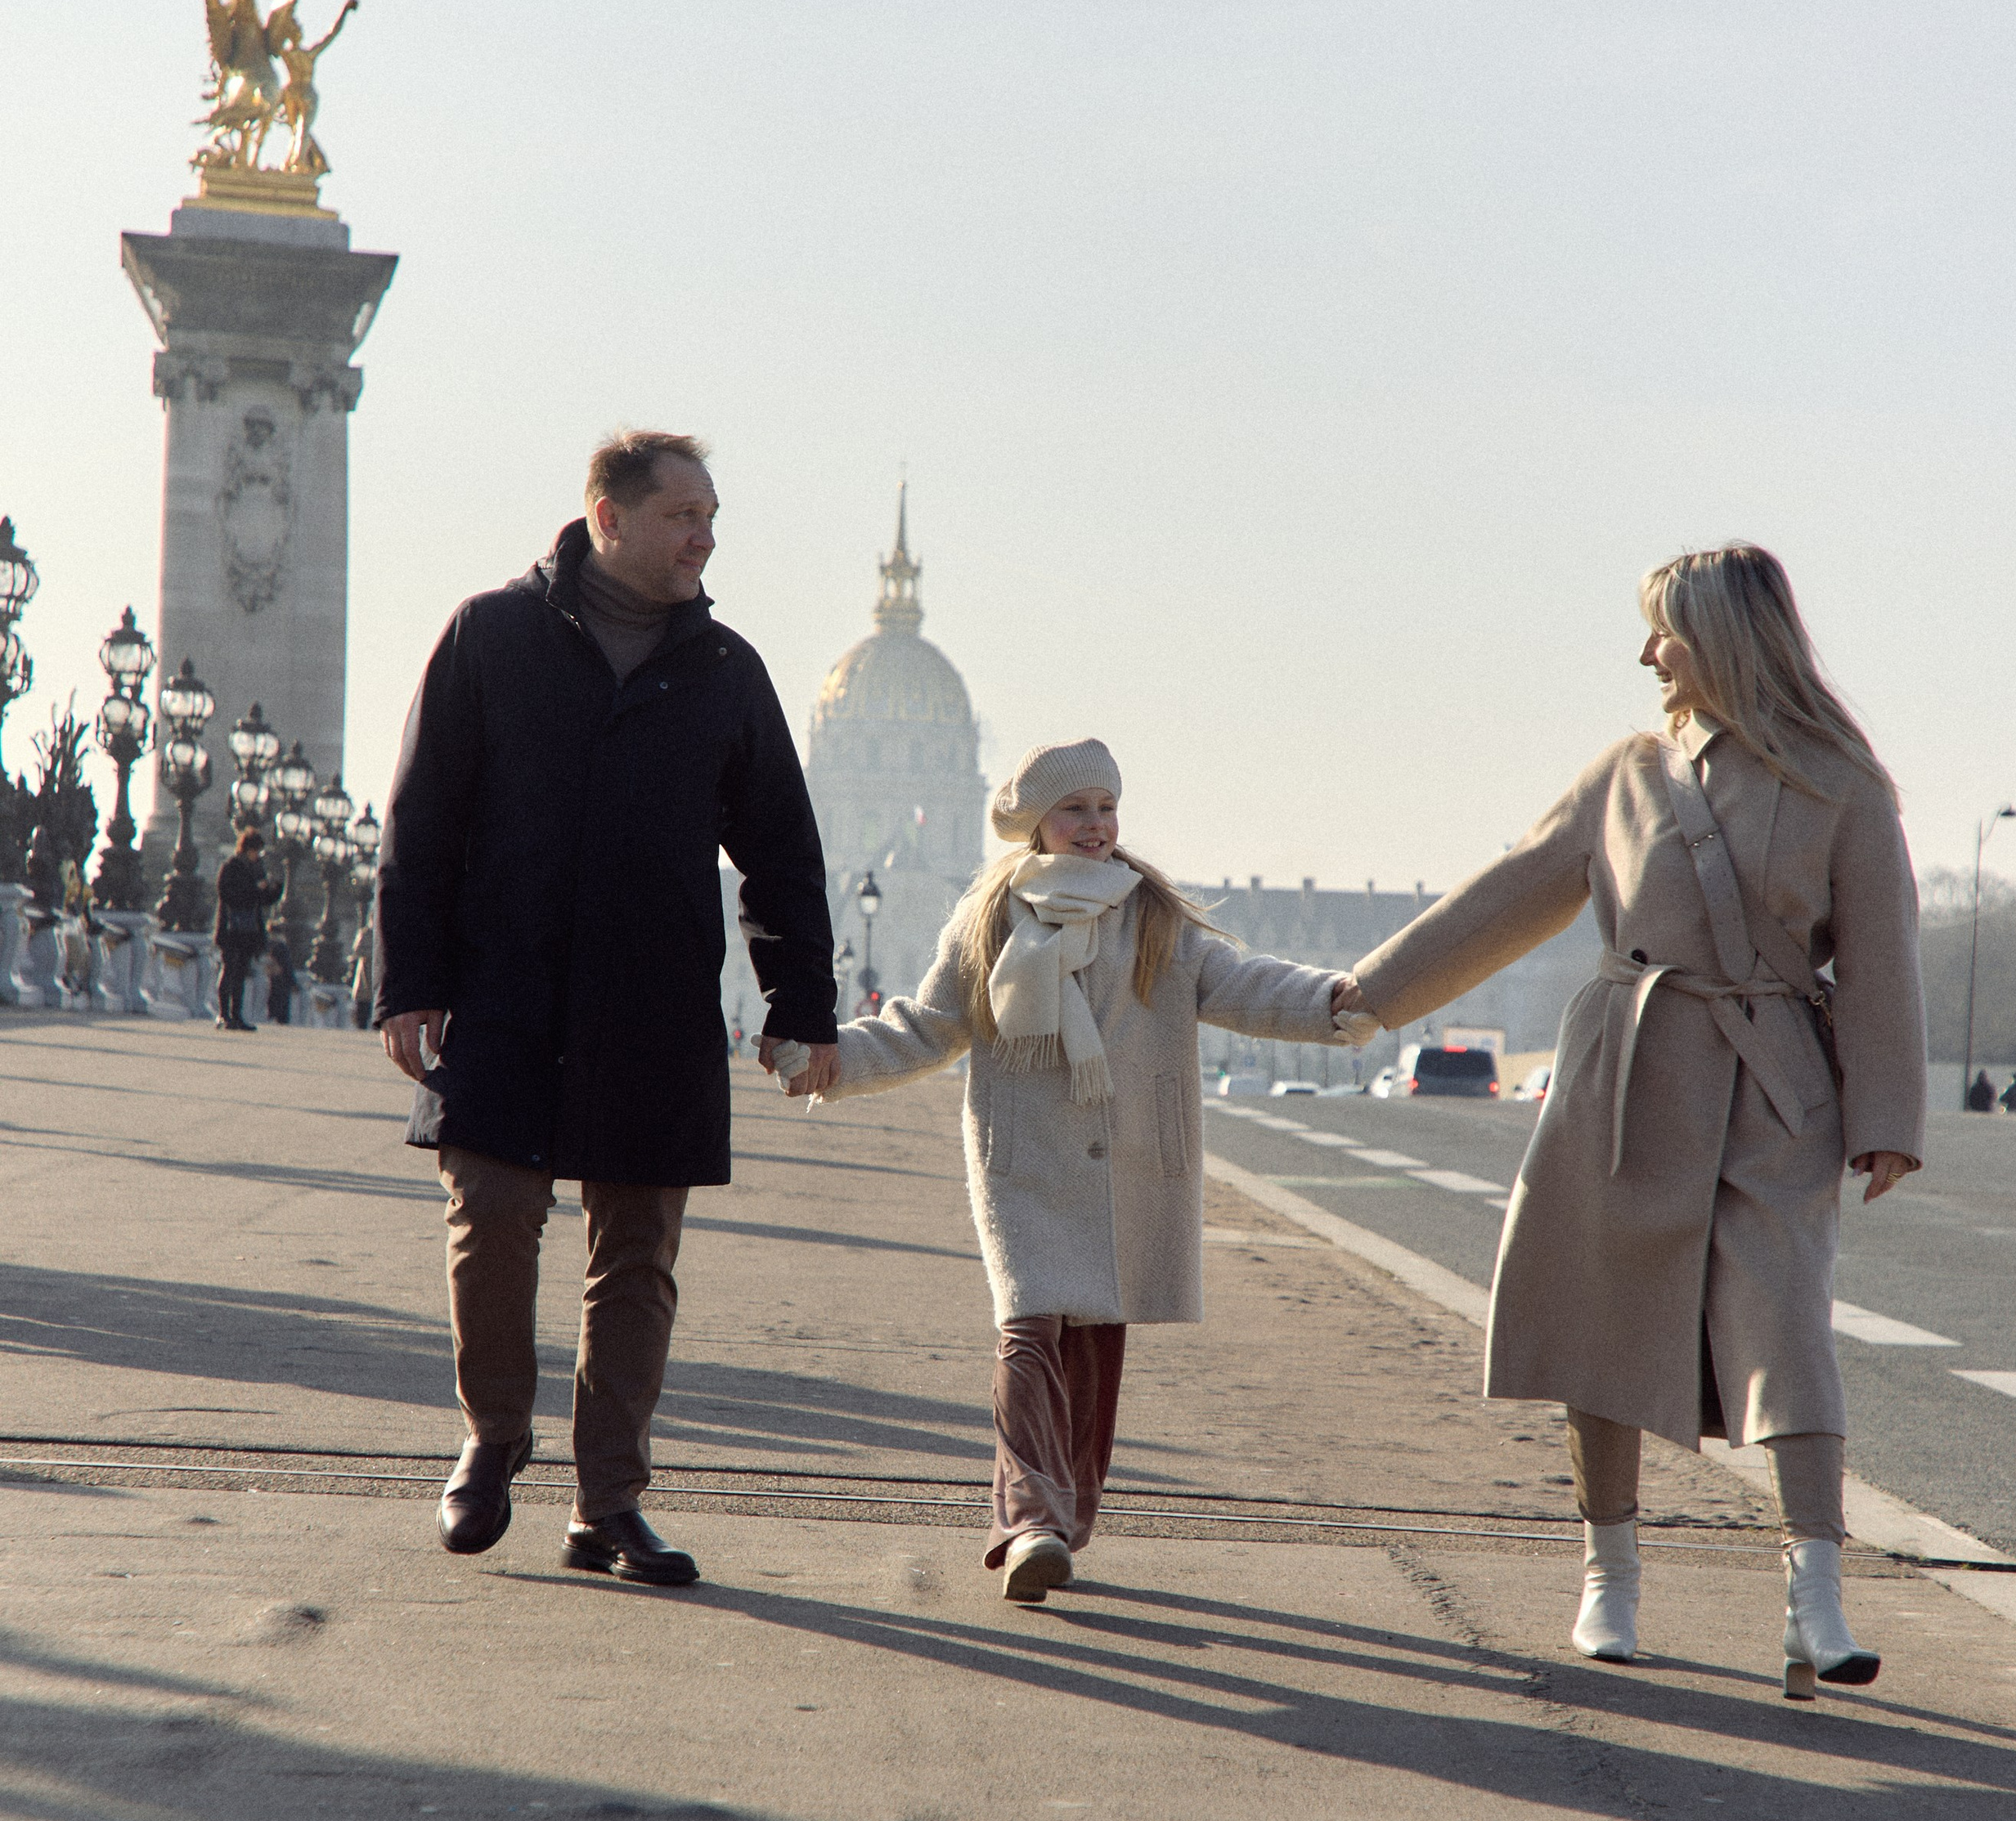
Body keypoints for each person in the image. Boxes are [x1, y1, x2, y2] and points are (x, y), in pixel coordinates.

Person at [1345, 545, 1926, 1698]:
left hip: (1777, 1088)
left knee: (1787, 1333)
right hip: (1628, 1075)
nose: (1646, 653)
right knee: (1603, 1322)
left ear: (1721, 638)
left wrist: (1887, 1116)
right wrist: (1362, 998)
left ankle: (1816, 1591)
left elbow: (1881, 960)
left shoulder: (1844, 782)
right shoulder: (1625, 774)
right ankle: (1608, 1574)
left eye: (1662, 629)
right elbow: (1506, 896)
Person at [374, 427, 837, 1587]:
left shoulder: (726, 669)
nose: (707, 537)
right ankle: (493, 1437)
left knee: (637, 1253)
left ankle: (609, 1504)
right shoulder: (492, 635)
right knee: (491, 1212)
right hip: (507, 988)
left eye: (712, 516)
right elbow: (420, 819)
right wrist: (409, 981)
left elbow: (781, 852)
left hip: (655, 1003)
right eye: (685, 515)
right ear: (608, 516)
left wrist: (803, 1006)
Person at [802, 740, 1370, 1600]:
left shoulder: (1155, 917)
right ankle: (1031, 1520)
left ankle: (1065, 1517)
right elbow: (926, 1028)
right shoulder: (989, 917)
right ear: (1038, 825)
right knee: (1028, 1334)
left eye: (1106, 807)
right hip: (1024, 1161)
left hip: (1130, 1162)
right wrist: (830, 1059)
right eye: (1076, 810)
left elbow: (1242, 982)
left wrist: (1330, 999)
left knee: (1096, 1352)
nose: (1096, 824)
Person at [212, 828, 278, 1029]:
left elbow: (262, 901)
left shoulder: (257, 869)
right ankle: (223, 1015)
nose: (257, 855)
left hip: (249, 930)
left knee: (241, 973)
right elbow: (227, 894)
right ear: (247, 848)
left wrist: (274, 890)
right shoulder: (231, 867)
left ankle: (237, 1015)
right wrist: (254, 890)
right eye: (255, 851)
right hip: (231, 928)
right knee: (229, 969)